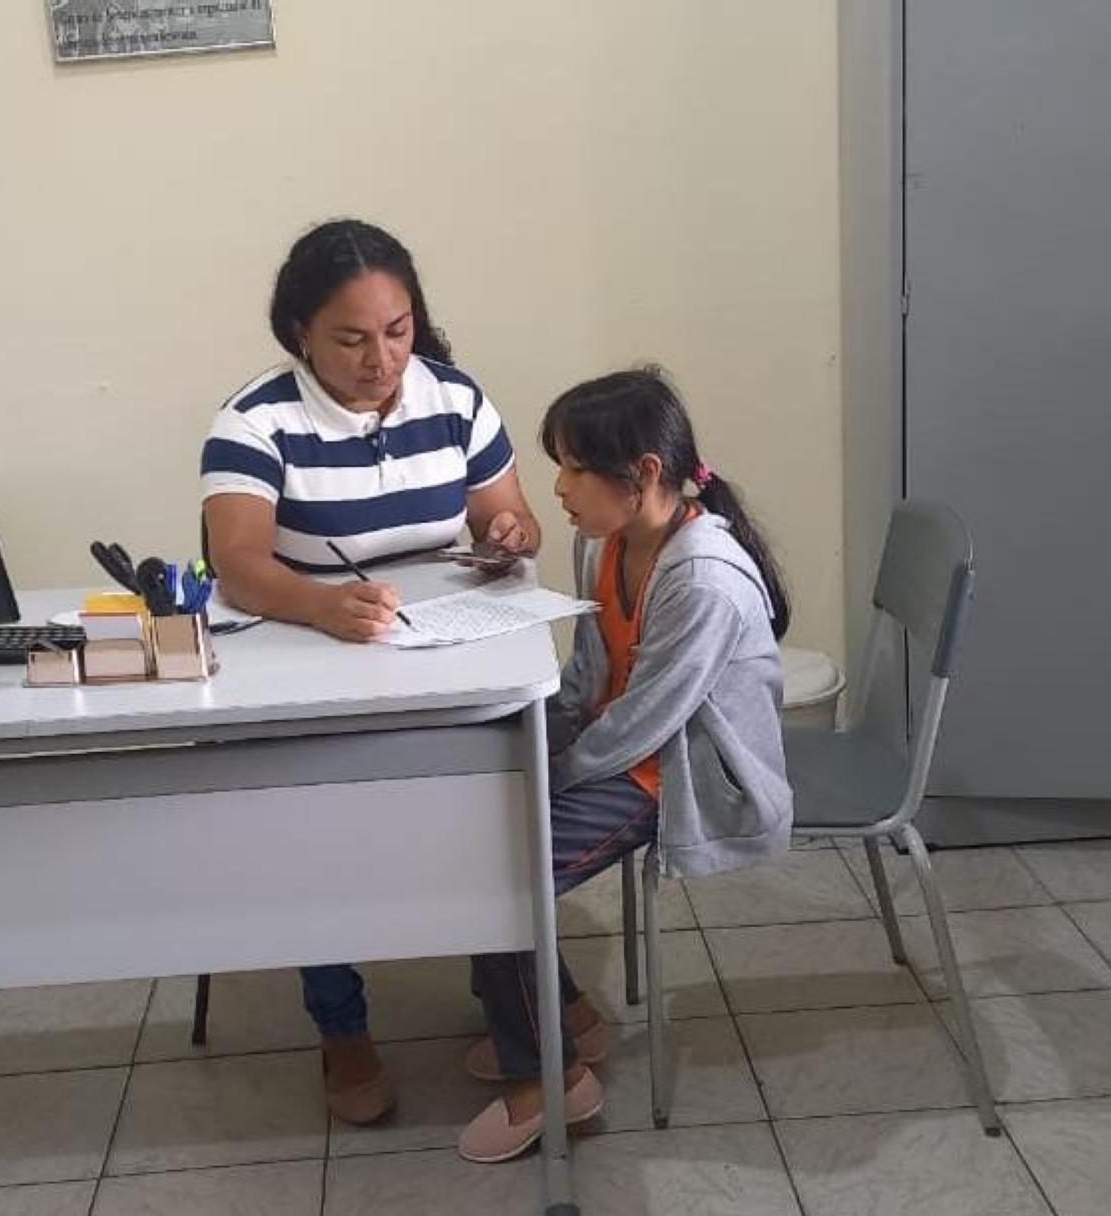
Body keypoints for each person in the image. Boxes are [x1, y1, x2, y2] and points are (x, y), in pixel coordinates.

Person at [199, 219, 542, 1123]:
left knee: (496, 802)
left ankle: (513, 994)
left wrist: (510, 536)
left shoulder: (453, 397)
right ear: (300, 333)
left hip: (439, 655)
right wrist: (320, 605)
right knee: (313, 830)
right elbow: (237, 564)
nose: (381, 360)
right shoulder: (256, 420)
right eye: (351, 339)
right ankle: (341, 1025)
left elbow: (510, 518)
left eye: (398, 331)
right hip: (315, 662)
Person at [459, 366, 793, 1163]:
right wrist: (531, 745)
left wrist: (553, 774)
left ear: (642, 474)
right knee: (477, 815)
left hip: (680, 773)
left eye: (574, 468)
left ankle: (549, 1082)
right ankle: (566, 1018)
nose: (558, 488)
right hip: (625, 748)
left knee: (496, 878)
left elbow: (649, 723)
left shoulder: (704, 579)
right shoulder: (602, 542)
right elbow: (588, 676)